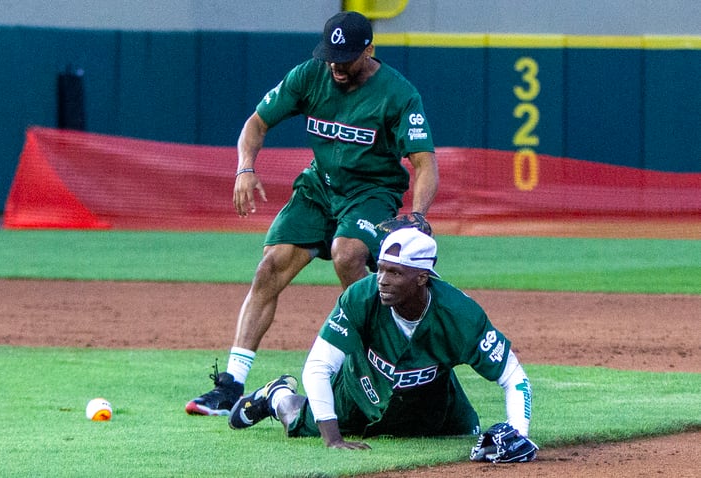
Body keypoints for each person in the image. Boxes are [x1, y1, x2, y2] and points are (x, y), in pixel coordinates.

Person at [185, 10, 439, 416]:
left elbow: (425, 164)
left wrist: (419, 215)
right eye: (331, 55)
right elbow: (256, 123)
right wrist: (245, 168)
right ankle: (231, 384)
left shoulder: (398, 93)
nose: (337, 64)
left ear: (370, 49)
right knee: (271, 266)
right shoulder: (311, 74)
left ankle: (380, 367)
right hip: (319, 187)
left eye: (347, 56)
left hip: (371, 192)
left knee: (348, 254)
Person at [227, 227, 536, 458]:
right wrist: (333, 438)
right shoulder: (361, 297)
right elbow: (318, 367)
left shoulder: (460, 315)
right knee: (296, 418)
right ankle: (276, 394)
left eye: (395, 272)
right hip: (357, 394)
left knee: (465, 434)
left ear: (422, 277)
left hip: (434, 410)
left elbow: (514, 377)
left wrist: (519, 433)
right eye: (382, 268)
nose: (382, 279)